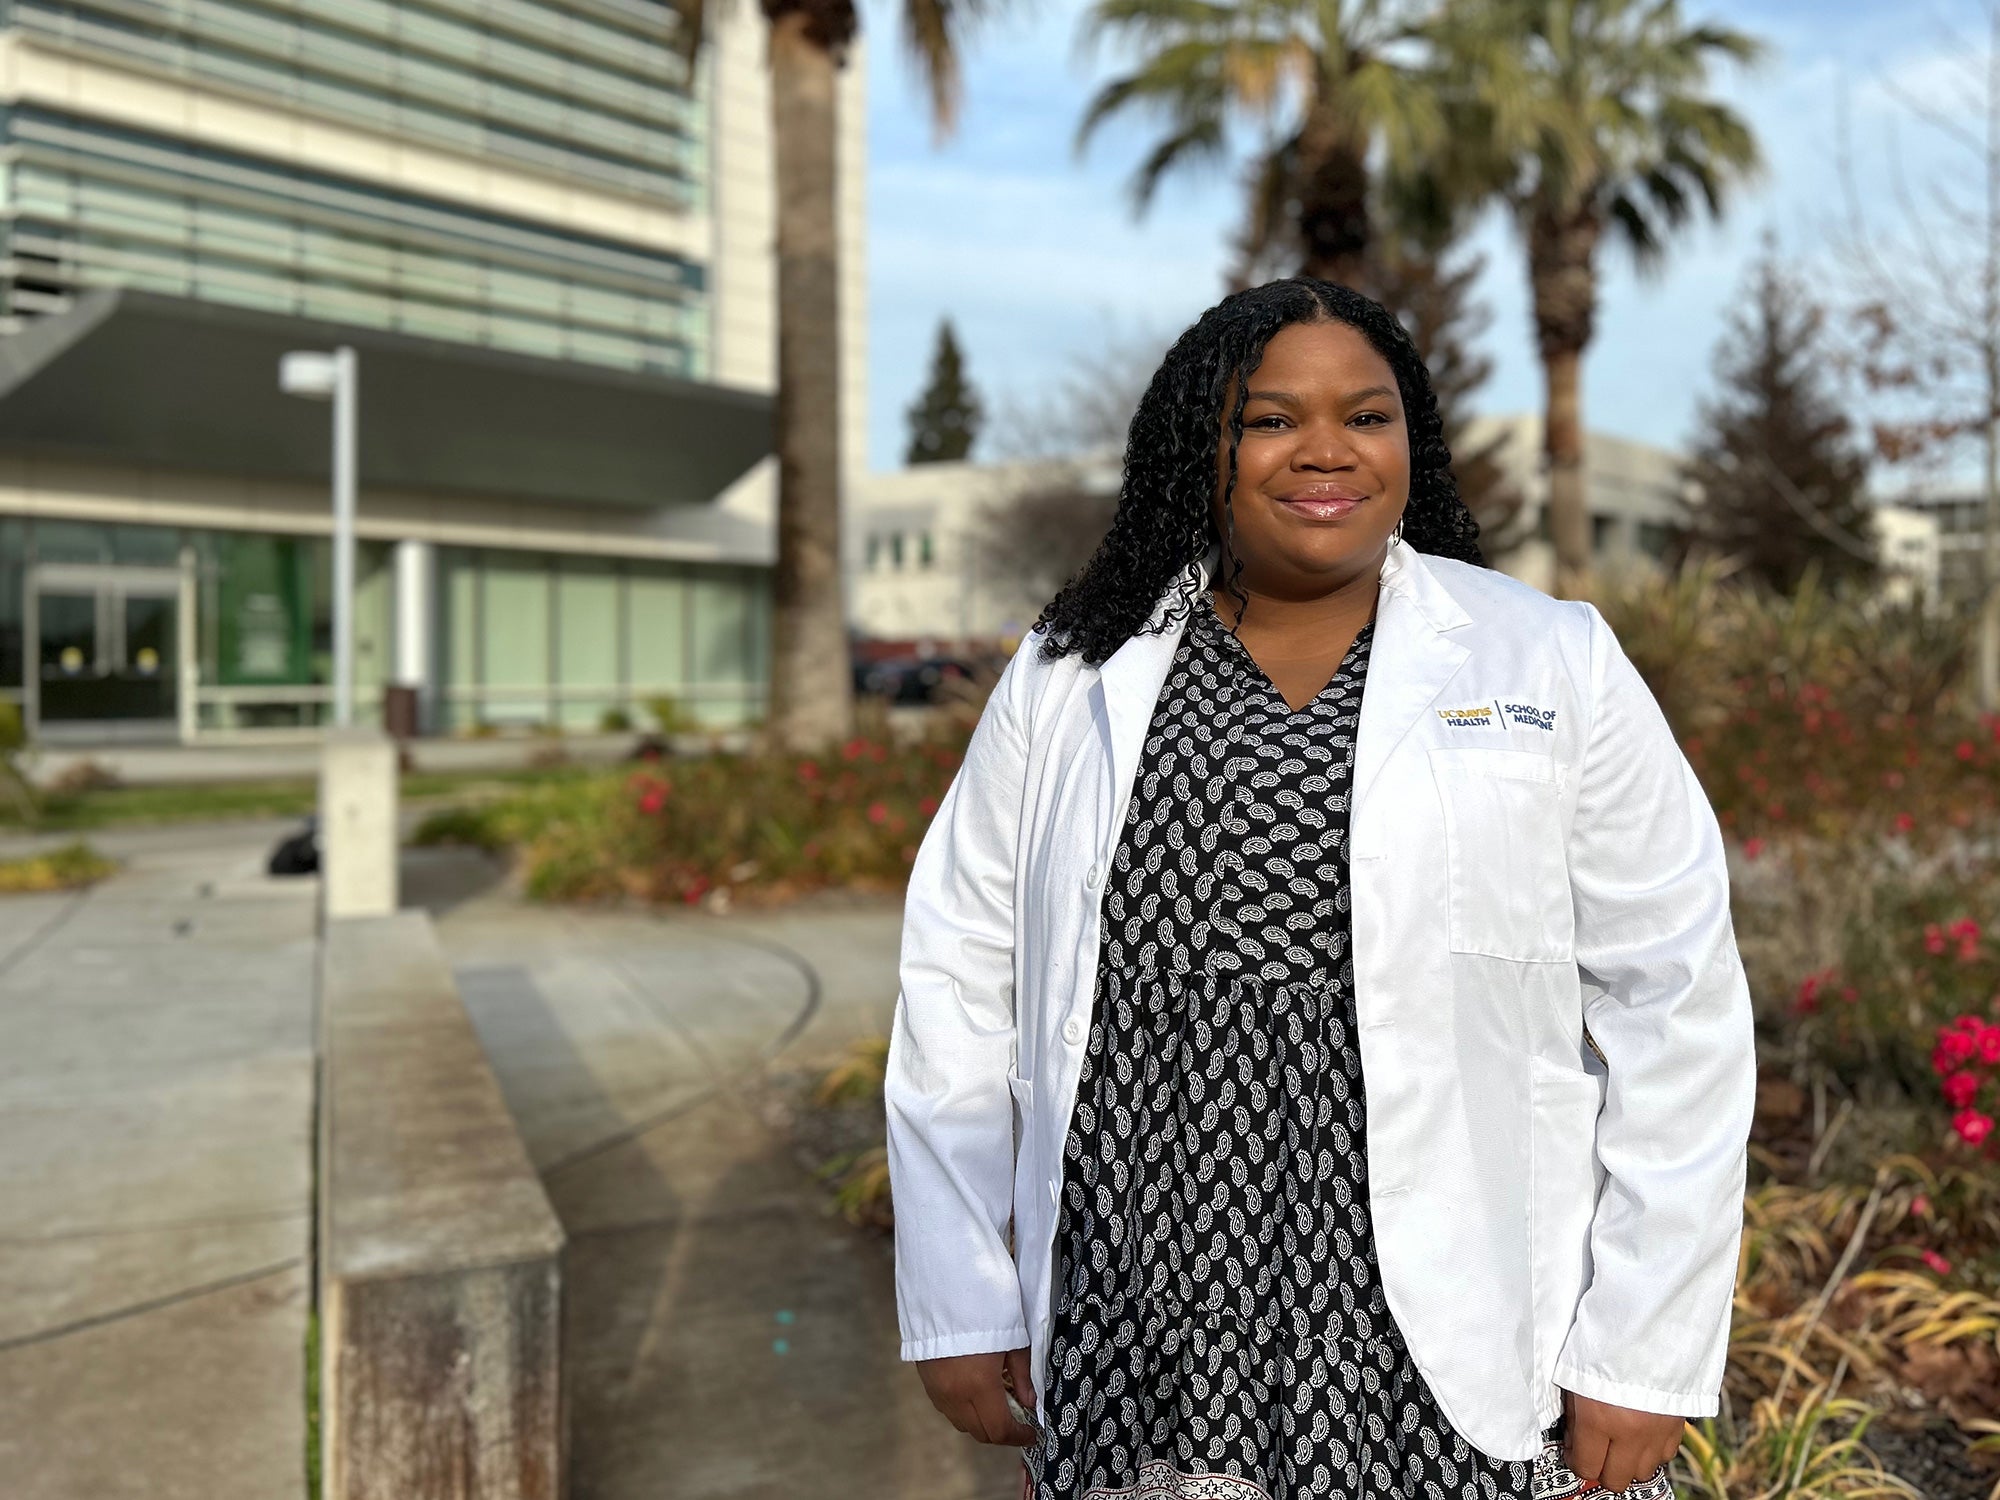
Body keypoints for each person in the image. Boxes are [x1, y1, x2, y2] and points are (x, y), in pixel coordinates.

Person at [883, 277, 1755, 1500]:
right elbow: (961, 982)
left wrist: (1644, 1348)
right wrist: (962, 1294)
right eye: (1269, 418)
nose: (1326, 451)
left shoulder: (1549, 658)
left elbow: (1677, 1007)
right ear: (1203, 444)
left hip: (1455, 1324)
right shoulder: (1070, 671)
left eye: (1367, 414)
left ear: (1414, 440)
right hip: (1149, 1322)